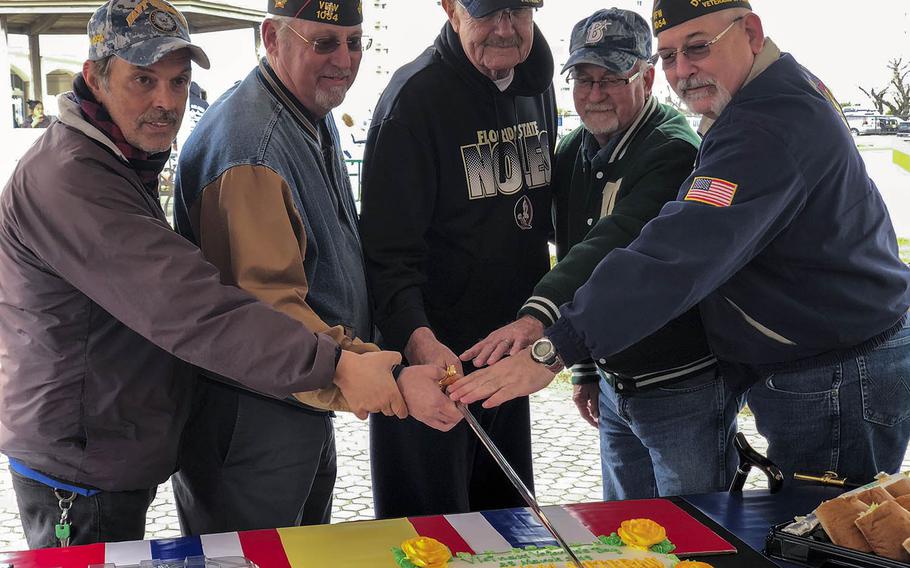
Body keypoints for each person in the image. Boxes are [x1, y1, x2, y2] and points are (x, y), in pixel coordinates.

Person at [449, 0, 910, 487]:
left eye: (697, 49)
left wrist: (555, 346)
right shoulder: (760, 93)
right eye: (669, 55)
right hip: (818, 359)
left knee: (830, 536)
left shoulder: (762, 125)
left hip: (836, 371)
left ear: (750, 32)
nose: (683, 71)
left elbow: (674, 257)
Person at [0, 0, 407, 549]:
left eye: (178, 80)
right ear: (95, 76)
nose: (166, 101)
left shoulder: (113, 154)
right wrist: (338, 365)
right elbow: (193, 308)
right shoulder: (72, 178)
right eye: (143, 79)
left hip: (112, 435)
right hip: (80, 462)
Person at [172, 0, 458, 535]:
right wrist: (389, 376)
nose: (344, 60)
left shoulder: (304, 110)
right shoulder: (251, 147)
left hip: (302, 396)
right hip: (254, 413)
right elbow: (269, 313)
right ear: (272, 39)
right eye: (324, 42)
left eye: (354, 41)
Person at [461, 8, 736, 500]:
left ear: (648, 77)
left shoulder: (672, 150)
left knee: (701, 531)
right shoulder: (572, 152)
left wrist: (537, 319)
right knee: (623, 530)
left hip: (681, 387)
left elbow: (611, 242)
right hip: (614, 385)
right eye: (582, 79)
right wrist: (586, 369)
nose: (594, 94)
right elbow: (566, 245)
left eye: (612, 77)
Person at [359, 0, 555, 518]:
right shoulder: (413, 99)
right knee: (431, 532)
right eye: (487, 12)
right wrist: (421, 343)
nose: (504, 28)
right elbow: (385, 254)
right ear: (449, 8)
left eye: (518, 10)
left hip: (507, 360)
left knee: (511, 527)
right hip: (430, 364)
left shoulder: (537, 80)